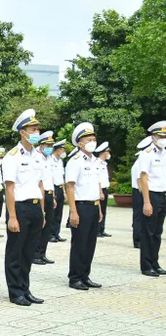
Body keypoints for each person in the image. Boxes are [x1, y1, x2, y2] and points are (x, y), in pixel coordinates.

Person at [2, 109, 47, 307]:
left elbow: (40, 185)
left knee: (28, 252)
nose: (36, 132)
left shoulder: (38, 156)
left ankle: (25, 288)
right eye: (32, 129)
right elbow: (9, 188)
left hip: (36, 207)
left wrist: (43, 212)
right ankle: (15, 291)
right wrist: (12, 216)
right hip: (19, 208)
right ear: (22, 132)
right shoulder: (12, 156)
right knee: (15, 252)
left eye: (37, 129)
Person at [65, 122, 105, 290]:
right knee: (79, 243)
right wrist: (73, 211)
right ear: (80, 143)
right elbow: (70, 187)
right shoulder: (75, 161)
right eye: (88, 139)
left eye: (93, 139)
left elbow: (96, 185)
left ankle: (85, 275)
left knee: (90, 243)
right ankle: (75, 277)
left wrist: (100, 208)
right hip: (81, 207)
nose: (92, 142)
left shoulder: (95, 161)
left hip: (94, 206)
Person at [136, 121, 166, 276]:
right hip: (151, 195)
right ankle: (147, 265)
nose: (163, 139)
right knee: (148, 232)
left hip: (163, 195)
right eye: (161, 136)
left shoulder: (164, 152)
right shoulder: (146, 154)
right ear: (153, 137)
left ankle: (155, 262)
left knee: (157, 232)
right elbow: (143, 178)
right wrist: (147, 201)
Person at [33, 132, 57, 266]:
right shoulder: (36, 157)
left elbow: (50, 179)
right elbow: (39, 180)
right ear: (41, 146)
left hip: (48, 194)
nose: (50, 147)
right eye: (48, 145)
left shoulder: (50, 158)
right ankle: (35, 254)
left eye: (51, 145)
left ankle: (42, 253)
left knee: (48, 225)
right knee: (39, 225)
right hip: (39, 195)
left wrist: (52, 196)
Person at [131, 137, 153, 249]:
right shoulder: (140, 161)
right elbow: (140, 179)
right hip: (139, 191)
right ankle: (138, 240)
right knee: (138, 217)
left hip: (141, 190)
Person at [50, 140, 67, 243]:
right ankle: (50, 234)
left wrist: (64, 191)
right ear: (58, 150)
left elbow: (61, 177)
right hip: (53, 188)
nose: (64, 152)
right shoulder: (50, 160)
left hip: (60, 188)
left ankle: (56, 233)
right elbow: (50, 178)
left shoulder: (60, 161)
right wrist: (52, 195)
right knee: (52, 213)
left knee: (59, 213)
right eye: (63, 149)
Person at [96, 142, 112, 238]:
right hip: (100, 190)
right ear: (104, 152)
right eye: (107, 152)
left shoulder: (104, 163)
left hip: (105, 189)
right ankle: (97, 229)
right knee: (99, 210)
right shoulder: (97, 163)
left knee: (104, 210)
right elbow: (97, 178)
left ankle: (102, 229)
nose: (109, 154)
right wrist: (100, 192)